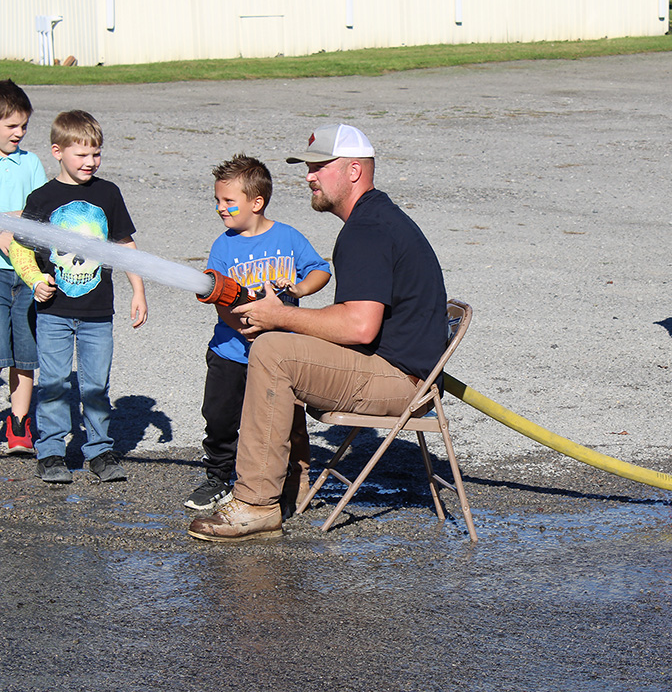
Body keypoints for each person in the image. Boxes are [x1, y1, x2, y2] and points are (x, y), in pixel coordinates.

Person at [188, 123, 447, 543]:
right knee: (282, 346)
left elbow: (360, 327)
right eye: (308, 167)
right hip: (398, 368)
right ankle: (289, 481)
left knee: (275, 351)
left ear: (353, 171)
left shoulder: (367, 230)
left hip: (402, 382)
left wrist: (280, 316)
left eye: (319, 167)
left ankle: (256, 504)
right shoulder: (374, 219)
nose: (309, 176)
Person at [184, 154, 331, 511]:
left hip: (281, 354)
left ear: (256, 202)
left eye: (228, 202)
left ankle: (286, 482)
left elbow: (320, 270)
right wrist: (245, 328)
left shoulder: (288, 238)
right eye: (218, 201)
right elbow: (219, 299)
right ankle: (218, 478)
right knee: (219, 417)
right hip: (230, 352)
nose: (220, 208)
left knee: (280, 423)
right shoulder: (224, 247)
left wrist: (296, 290)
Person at [9, 110, 148, 484]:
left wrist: (138, 290)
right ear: (57, 151)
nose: (90, 162)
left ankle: (100, 450)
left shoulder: (108, 194)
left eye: (96, 154)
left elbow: (124, 245)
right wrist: (35, 279)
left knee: (95, 385)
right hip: (53, 311)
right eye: (81, 154)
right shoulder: (41, 198)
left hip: (98, 312)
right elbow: (20, 248)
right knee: (54, 382)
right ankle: (51, 452)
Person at [0, 79, 48, 454]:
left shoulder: (30, 162)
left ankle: (18, 423)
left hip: (25, 273)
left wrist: (14, 223)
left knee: (25, 352)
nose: (20, 133)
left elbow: (42, 213)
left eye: (24, 126)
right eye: (11, 126)